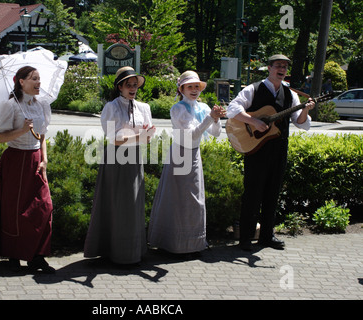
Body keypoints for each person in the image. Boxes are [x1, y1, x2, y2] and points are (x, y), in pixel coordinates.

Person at [226, 54, 315, 251]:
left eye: (284, 67)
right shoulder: (253, 89)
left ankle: (267, 236)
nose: (282, 69)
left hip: (279, 150)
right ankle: (246, 238)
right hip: (256, 149)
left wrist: (306, 110)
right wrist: (254, 121)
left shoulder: (290, 94)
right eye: (278, 66)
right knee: (252, 194)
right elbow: (232, 109)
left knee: (272, 194)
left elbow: (301, 124)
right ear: (269, 68)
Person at [0, 66, 55, 273]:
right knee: (15, 211)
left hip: (36, 160)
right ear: (21, 81)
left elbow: (43, 135)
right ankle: (14, 255)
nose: (39, 83)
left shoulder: (41, 105)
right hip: (16, 161)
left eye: (39, 79)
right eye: (34, 79)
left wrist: (45, 160)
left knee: (44, 208)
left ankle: (37, 256)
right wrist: (22, 130)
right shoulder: (10, 106)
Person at [147, 70, 226, 255]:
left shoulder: (204, 107)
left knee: (194, 199)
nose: (194, 90)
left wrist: (215, 118)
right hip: (180, 154)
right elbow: (191, 134)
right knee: (178, 198)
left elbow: (215, 133)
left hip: (194, 154)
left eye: (196, 86)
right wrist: (210, 117)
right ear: (181, 88)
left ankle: (193, 244)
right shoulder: (178, 109)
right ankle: (172, 243)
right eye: (189, 86)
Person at [84, 66, 156, 264]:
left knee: (133, 204)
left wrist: (145, 136)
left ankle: (132, 252)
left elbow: (147, 138)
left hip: (135, 157)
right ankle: (112, 250)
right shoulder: (111, 107)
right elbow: (112, 138)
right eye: (128, 85)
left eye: (135, 85)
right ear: (119, 87)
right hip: (116, 158)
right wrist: (139, 136)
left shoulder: (144, 108)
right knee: (116, 203)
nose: (133, 88)